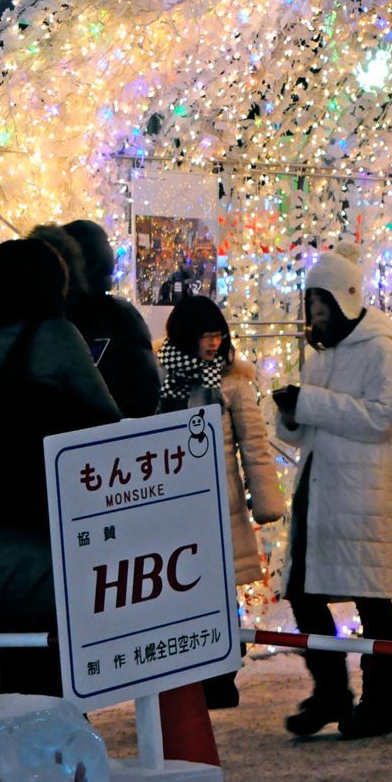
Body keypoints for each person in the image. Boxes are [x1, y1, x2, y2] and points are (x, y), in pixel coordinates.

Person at [0, 239, 121, 695]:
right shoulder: (53, 338)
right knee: (53, 678)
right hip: (41, 537)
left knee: (16, 670)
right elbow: (106, 421)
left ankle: (17, 758)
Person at [273, 242, 392, 739]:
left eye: (322, 304)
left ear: (344, 299)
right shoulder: (321, 355)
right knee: (303, 593)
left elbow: (384, 418)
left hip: (364, 495)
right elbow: (304, 428)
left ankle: (380, 702)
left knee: (372, 601)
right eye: (311, 304)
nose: (315, 314)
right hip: (320, 490)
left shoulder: (378, 348)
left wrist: (309, 403)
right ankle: (331, 691)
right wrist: (291, 412)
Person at [159, 296, 285, 708]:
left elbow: (255, 445)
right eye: (205, 335)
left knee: (216, 588)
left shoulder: (232, 382)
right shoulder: (162, 378)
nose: (213, 343)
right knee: (180, 589)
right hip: (173, 502)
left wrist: (264, 501)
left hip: (218, 501)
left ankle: (222, 675)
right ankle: (189, 676)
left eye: (218, 335)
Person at [61, 220, 161, 417]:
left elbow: (143, 395)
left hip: (97, 439)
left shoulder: (119, 316)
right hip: (101, 438)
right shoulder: (121, 315)